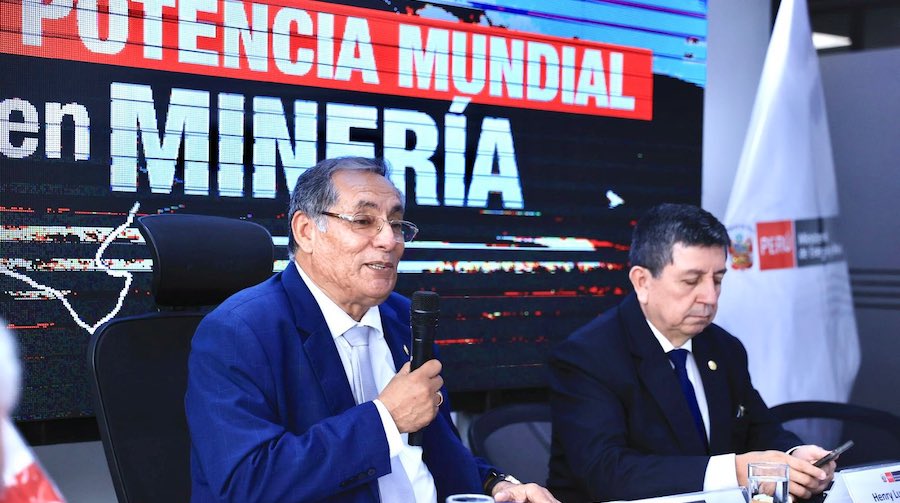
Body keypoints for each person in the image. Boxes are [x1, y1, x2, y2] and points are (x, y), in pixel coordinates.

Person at [185, 157, 559, 503]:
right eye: (363, 221)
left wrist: (497, 486)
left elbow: (434, 452)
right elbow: (246, 483)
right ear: (306, 230)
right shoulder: (239, 332)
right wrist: (386, 419)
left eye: (395, 224)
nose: (389, 240)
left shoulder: (403, 317)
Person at [547, 203, 836, 502]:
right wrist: (734, 471)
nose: (710, 297)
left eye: (718, 279)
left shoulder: (724, 347)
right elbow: (607, 472)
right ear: (642, 282)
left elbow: (758, 429)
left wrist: (795, 457)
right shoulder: (586, 357)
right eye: (691, 281)